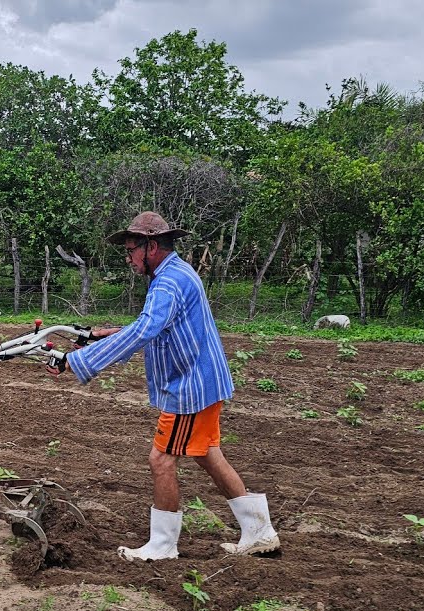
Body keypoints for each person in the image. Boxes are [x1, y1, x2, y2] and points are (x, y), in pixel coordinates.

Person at [49, 211, 280, 561]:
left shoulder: (169, 282)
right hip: (205, 381)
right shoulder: (174, 274)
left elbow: (146, 330)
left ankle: (162, 545)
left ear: (151, 246)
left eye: (130, 251)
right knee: (206, 454)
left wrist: (76, 361)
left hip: (190, 388)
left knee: (160, 459)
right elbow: (153, 325)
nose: (128, 258)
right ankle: (259, 531)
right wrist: (97, 337)